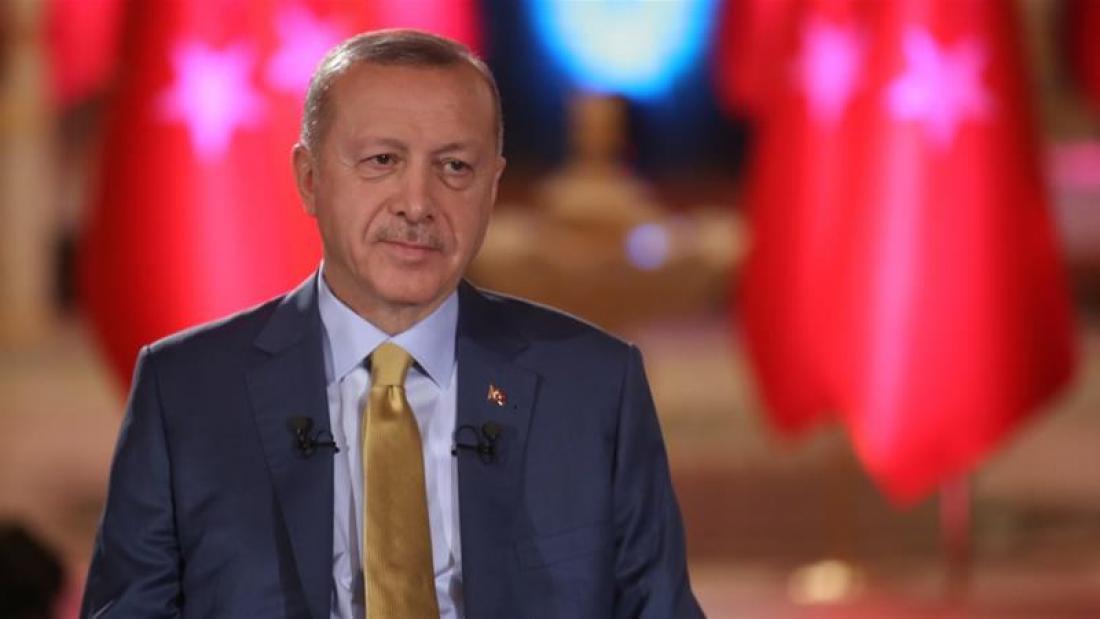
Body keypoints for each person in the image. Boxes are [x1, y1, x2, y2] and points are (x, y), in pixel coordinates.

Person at [82, 29, 703, 618]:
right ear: (309, 179)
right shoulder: (185, 391)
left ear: (492, 187)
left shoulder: (595, 388)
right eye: (382, 160)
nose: (417, 203)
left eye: (454, 167)